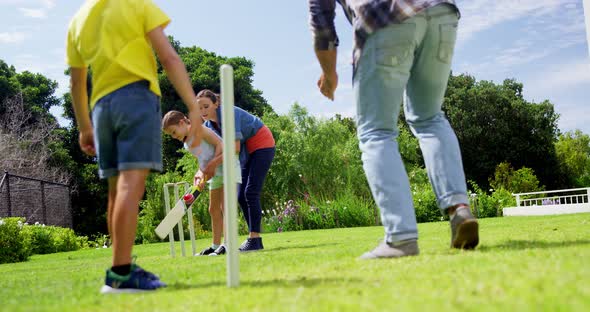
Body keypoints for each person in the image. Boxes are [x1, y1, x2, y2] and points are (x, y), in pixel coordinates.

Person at [308, 0, 479, 259]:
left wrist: (329, 73)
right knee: (430, 117)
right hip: (442, 12)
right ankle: (460, 210)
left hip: (384, 14)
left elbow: (322, 25)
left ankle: (401, 237)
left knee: (376, 132)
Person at [67, 0, 203, 292]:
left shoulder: (78, 19)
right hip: (135, 99)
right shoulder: (135, 4)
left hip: (102, 108)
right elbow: (169, 58)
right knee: (131, 186)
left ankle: (121, 266)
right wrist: (192, 104)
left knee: (116, 192)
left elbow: (77, 83)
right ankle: (119, 274)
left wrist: (84, 127)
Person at [196, 89, 275, 252]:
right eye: (200, 108)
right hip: (247, 152)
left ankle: (255, 239)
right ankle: (253, 239)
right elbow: (208, 153)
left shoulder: (227, 114)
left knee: (250, 192)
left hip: (262, 144)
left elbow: (235, 147)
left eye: (206, 106)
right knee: (241, 196)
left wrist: (212, 165)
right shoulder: (208, 126)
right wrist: (200, 172)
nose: (203, 112)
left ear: (215, 103)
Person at [162, 110, 241, 256]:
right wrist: (199, 173)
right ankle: (215, 245)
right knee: (213, 209)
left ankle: (228, 244)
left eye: (174, 132)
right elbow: (202, 161)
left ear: (182, 123)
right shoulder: (187, 143)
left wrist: (210, 166)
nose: (174, 137)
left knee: (225, 206)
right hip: (216, 173)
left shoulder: (200, 129)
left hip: (228, 166)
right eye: (171, 135)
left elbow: (220, 145)